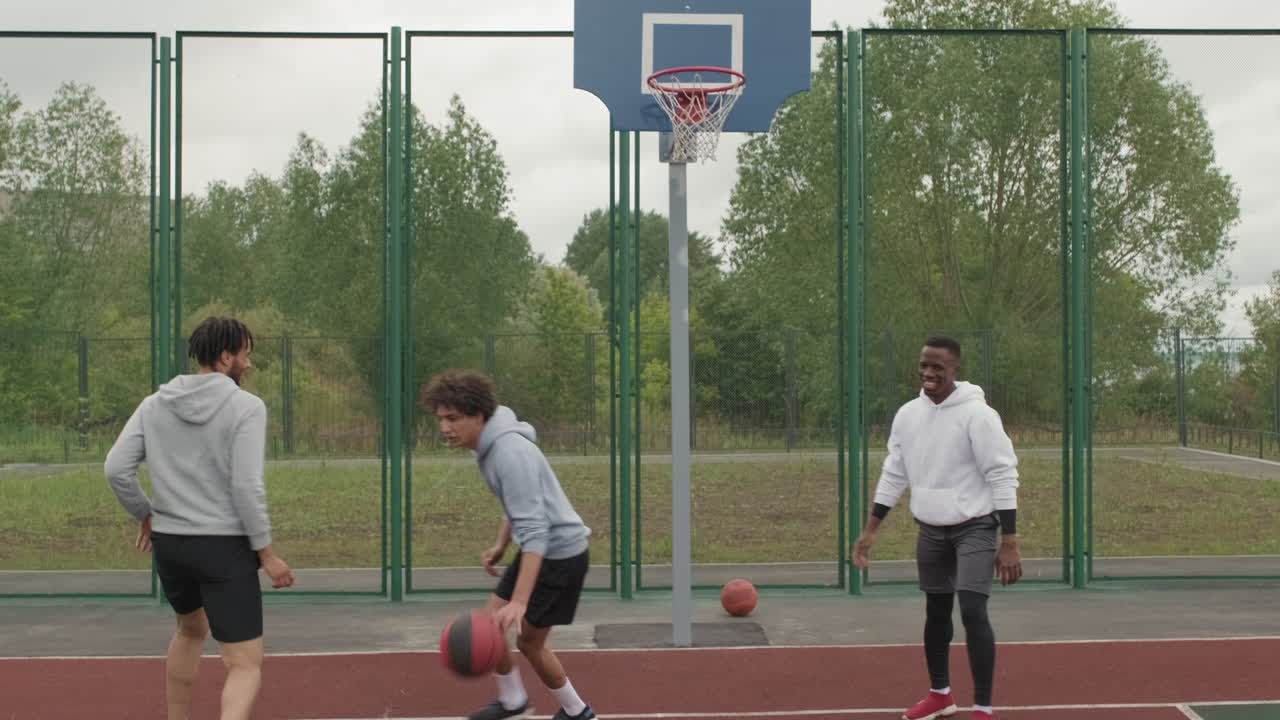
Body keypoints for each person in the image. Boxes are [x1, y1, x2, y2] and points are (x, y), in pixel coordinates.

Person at [105, 316, 294, 720]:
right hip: (223, 547)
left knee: (189, 631)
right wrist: (267, 554)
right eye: (246, 354)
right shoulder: (247, 407)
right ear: (227, 357)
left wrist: (146, 513)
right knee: (244, 663)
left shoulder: (154, 404)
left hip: (171, 545)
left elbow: (116, 469)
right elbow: (246, 486)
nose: (250, 363)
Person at [852, 335, 1022, 720]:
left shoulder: (978, 415)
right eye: (924, 365)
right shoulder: (908, 414)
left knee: (973, 611)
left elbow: (1002, 474)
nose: (929, 372)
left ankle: (983, 708)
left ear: (955, 369)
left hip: (975, 527)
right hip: (930, 528)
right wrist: (870, 530)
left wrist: (1008, 540)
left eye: (937, 366)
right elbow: (894, 473)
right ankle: (940, 695)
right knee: (936, 614)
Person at [420, 369, 595, 720]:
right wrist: (501, 543)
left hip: (560, 554)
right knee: (489, 624)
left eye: (453, 419)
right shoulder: (487, 446)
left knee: (529, 643)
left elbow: (536, 531)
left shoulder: (509, 453)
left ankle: (578, 712)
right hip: (540, 548)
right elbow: (517, 506)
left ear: (479, 416)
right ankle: (514, 702)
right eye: (440, 419)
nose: (445, 428)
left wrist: (519, 601)